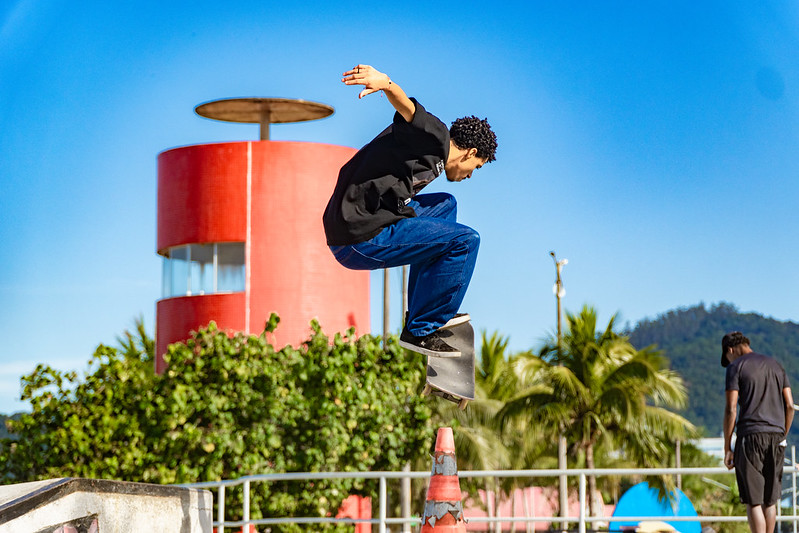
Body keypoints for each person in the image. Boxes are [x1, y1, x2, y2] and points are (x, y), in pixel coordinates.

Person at [322, 64, 497, 358]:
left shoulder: (433, 158)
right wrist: (387, 83)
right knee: (466, 240)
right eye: (474, 168)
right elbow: (408, 110)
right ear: (470, 153)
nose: (469, 176)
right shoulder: (436, 137)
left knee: (445, 205)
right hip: (359, 237)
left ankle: (420, 312)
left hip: (365, 221)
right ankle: (422, 329)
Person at [722, 331, 794, 533]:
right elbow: (789, 405)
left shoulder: (735, 367)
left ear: (730, 350)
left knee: (754, 501)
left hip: (750, 436)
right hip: (777, 436)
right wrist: (783, 435)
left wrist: (728, 447)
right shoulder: (776, 365)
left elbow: (731, 409)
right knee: (769, 502)